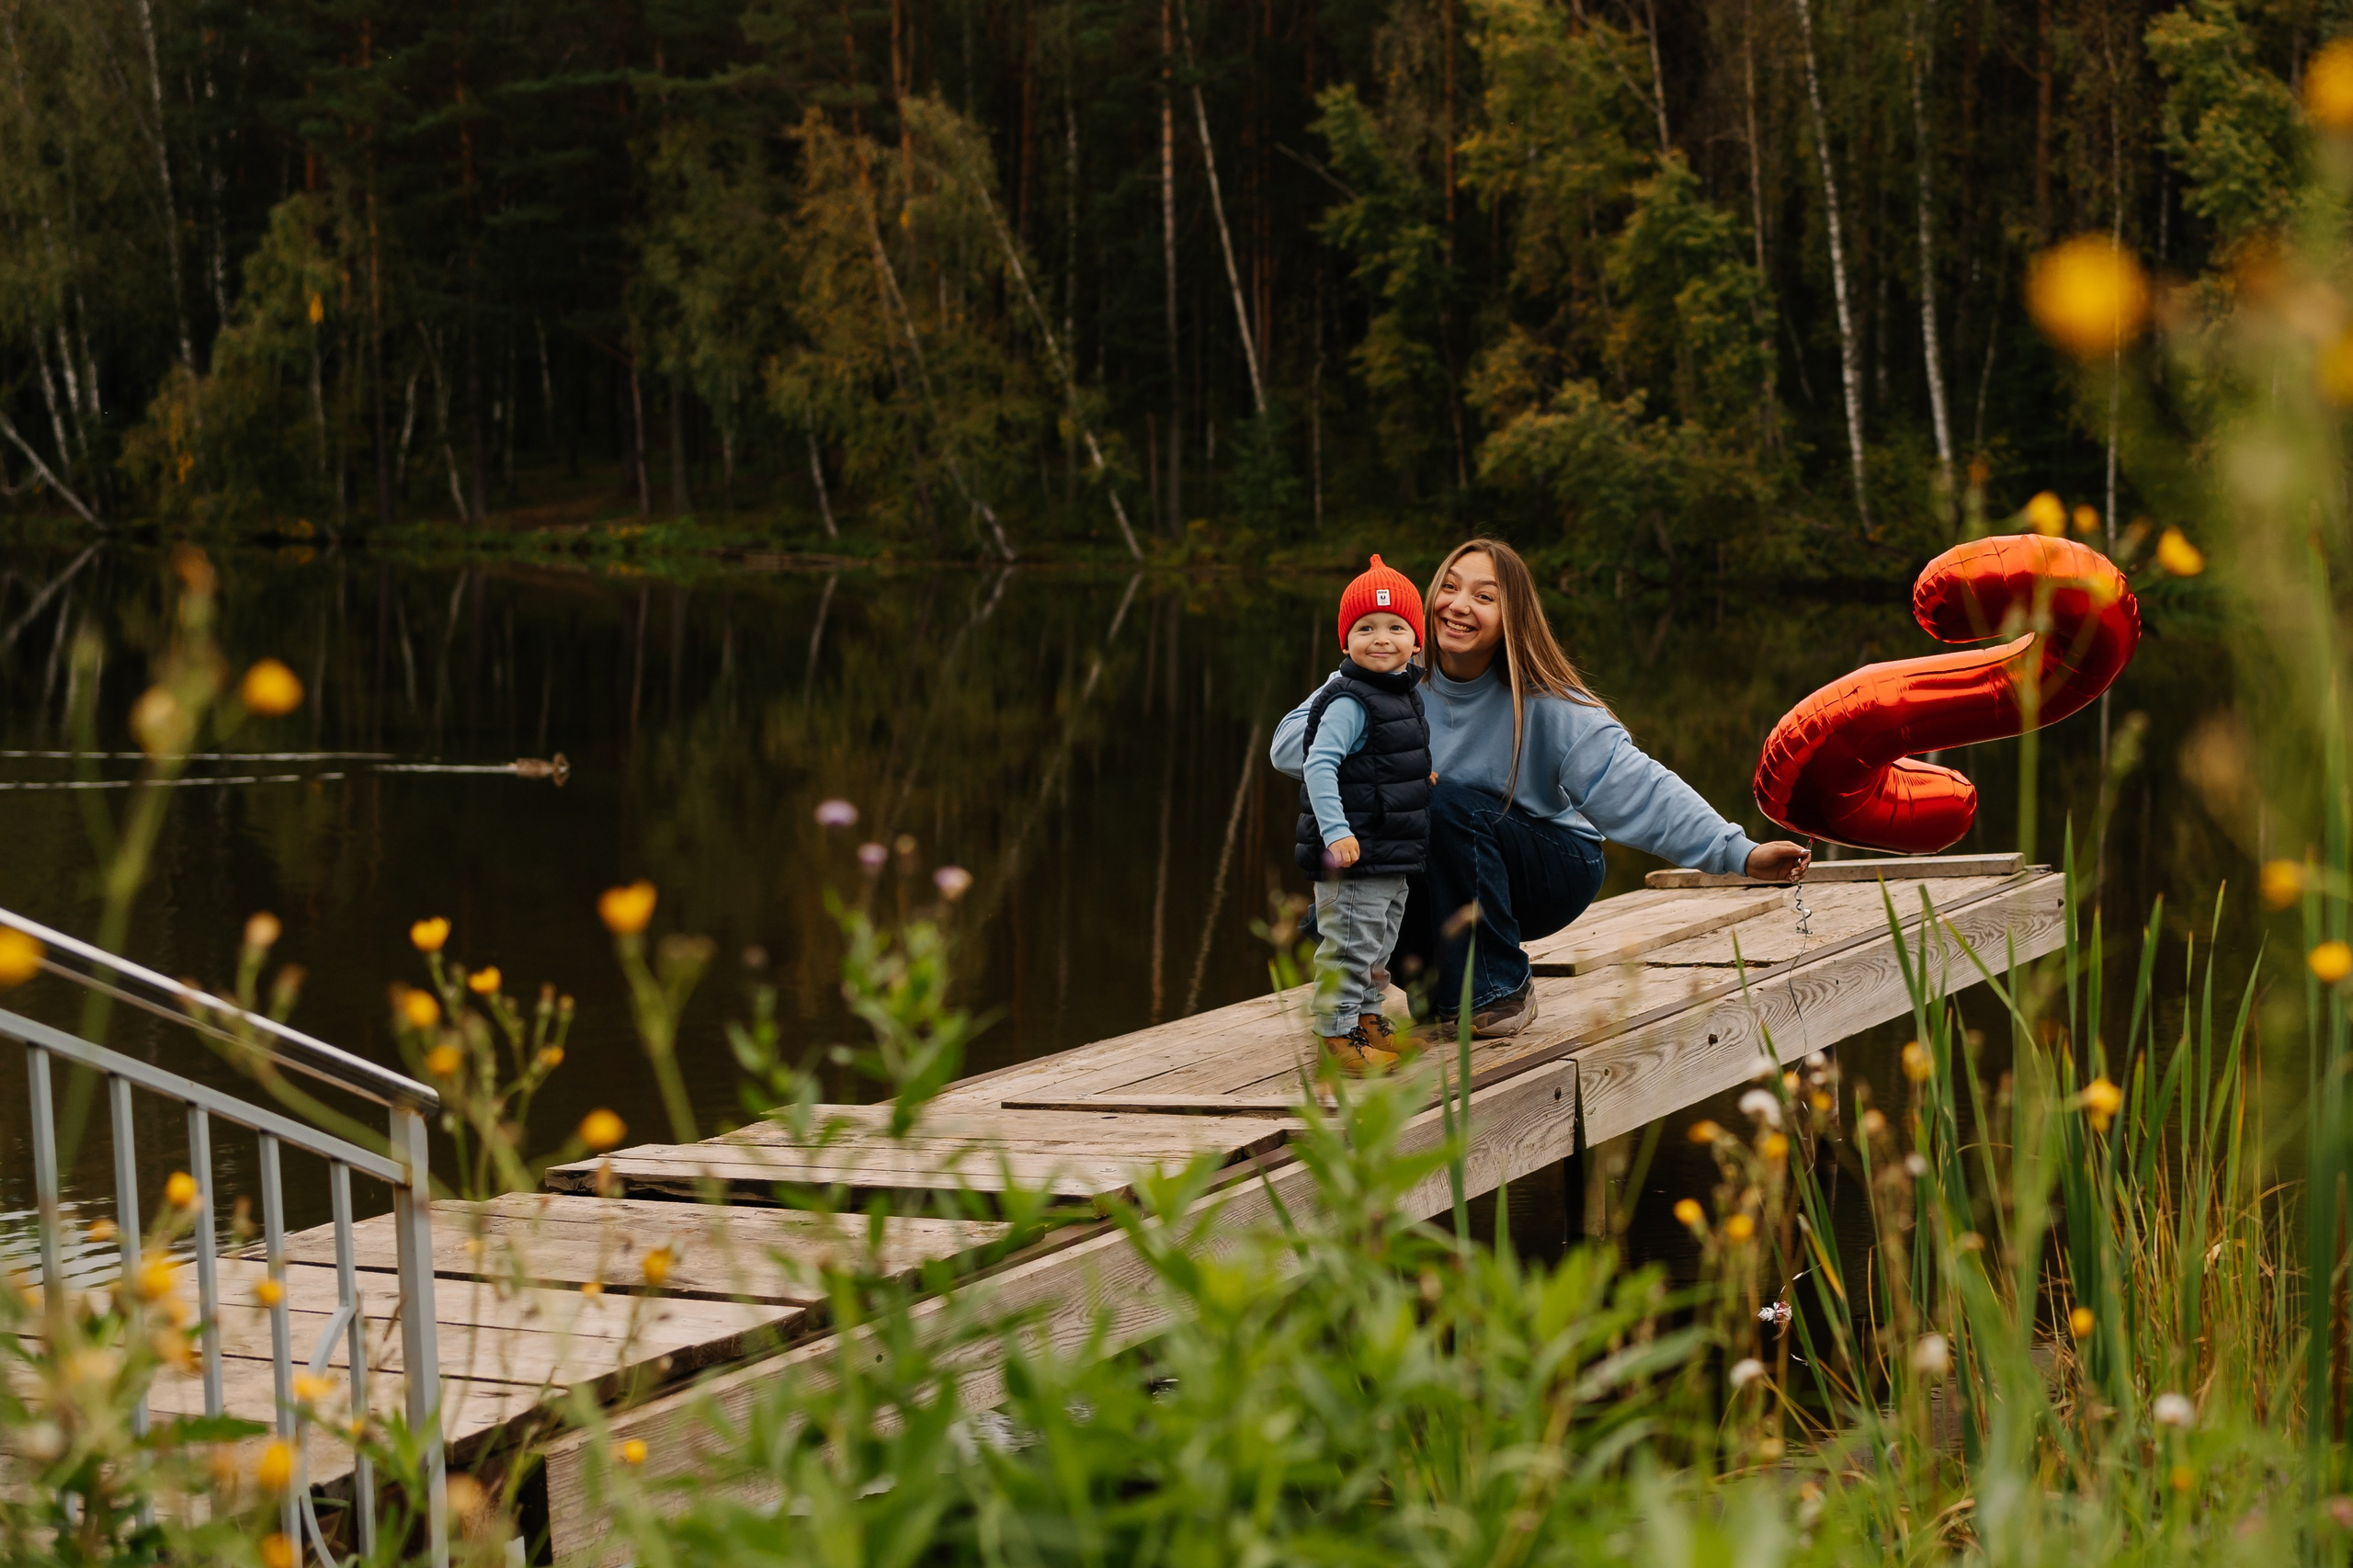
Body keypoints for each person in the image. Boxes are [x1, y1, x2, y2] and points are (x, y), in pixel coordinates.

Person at [1272, 539, 1810, 1040]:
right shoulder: (1380, 676)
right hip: (1441, 863)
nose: (1459, 605)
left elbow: (1642, 790)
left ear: (1512, 616)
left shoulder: (1546, 701)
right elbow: (1290, 744)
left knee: (1442, 803)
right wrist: (1387, 751)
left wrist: (1740, 853)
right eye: (1449, 587)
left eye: (1484, 596)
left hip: (1548, 867)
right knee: (1357, 879)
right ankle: (1438, 985)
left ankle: (1499, 988)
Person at [1292, 555, 1432, 1074]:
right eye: (1365, 628)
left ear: (1416, 641)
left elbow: (1382, 759)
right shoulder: (1350, 701)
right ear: (1345, 641)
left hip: (1389, 849)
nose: (1381, 639)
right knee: (1349, 946)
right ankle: (1335, 1035)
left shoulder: (1401, 693)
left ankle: (1367, 1021)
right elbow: (1319, 765)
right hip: (1355, 852)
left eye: (1395, 627)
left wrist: (1417, 778)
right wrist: (1336, 832)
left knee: (1378, 944)